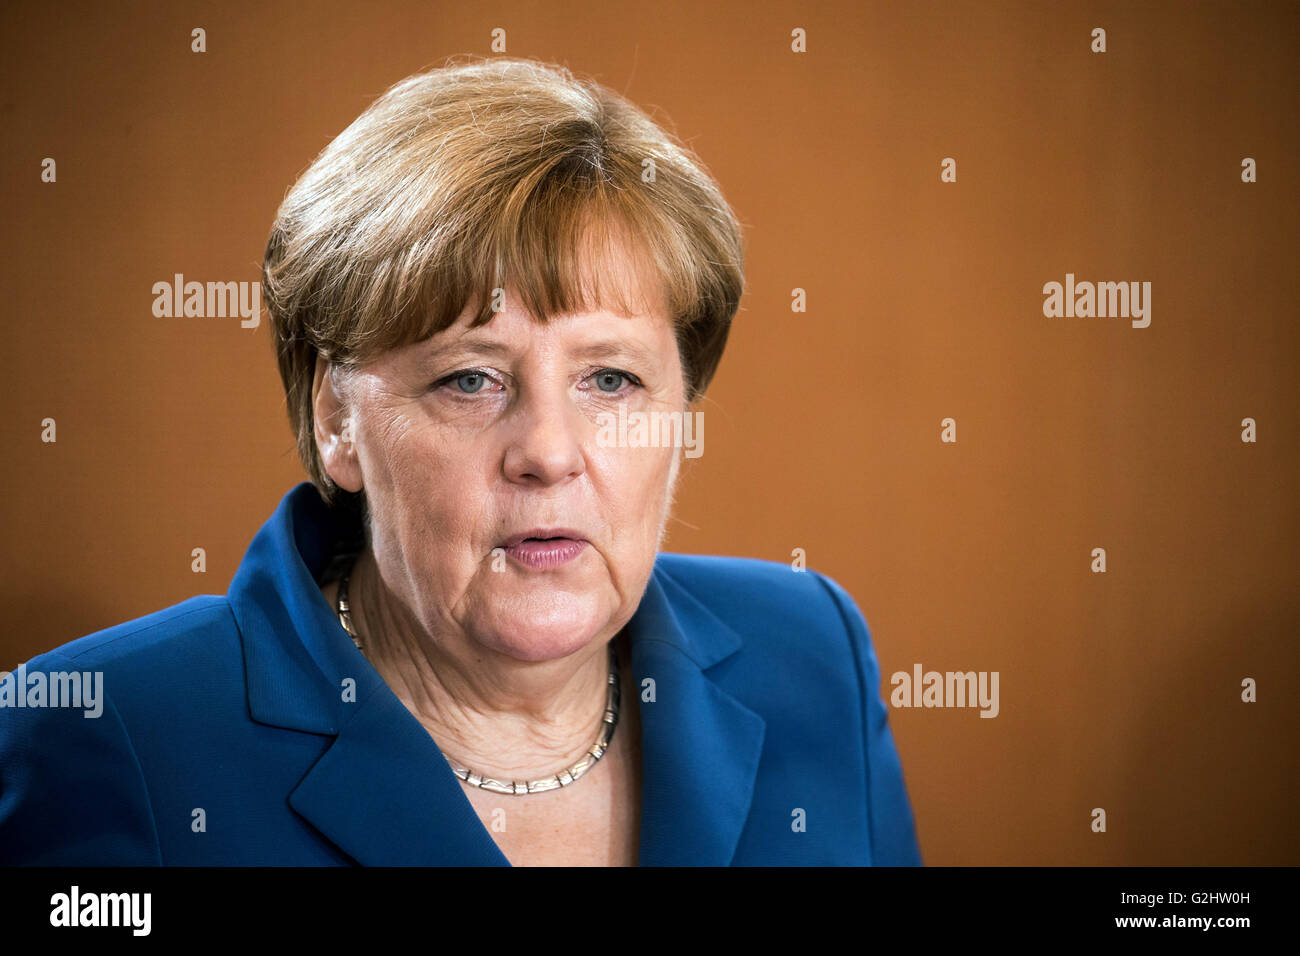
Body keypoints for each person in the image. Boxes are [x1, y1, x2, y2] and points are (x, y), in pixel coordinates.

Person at [0, 56, 921, 866]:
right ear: (337, 418)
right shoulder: (102, 727)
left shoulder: (811, 654)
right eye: (472, 380)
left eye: (610, 380)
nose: (550, 453)